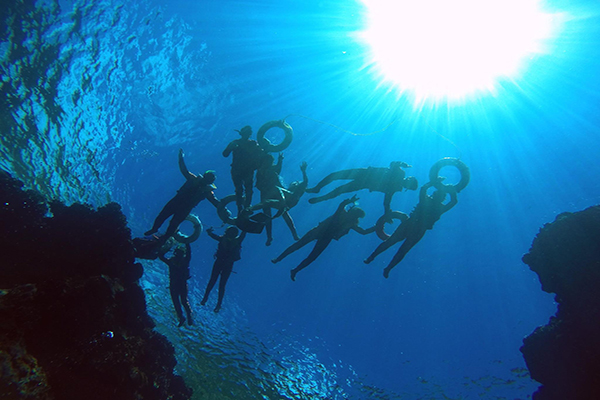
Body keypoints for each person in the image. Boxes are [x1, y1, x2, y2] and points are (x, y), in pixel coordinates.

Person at [364, 180, 458, 278]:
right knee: (391, 242)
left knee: (402, 249)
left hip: (418, 229)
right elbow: (424, 189)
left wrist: (450, 190)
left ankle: (387, 267)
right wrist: (437, 183)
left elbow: (452, 201)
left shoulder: (438, 207)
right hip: (411, 225)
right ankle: (372, 258)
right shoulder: (426, 200)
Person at [272, 195, 375, 281]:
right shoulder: (343, 214)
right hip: (320, 231)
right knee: (298, 246)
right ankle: (279, 259)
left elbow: (363, 232)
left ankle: (294, 269)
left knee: (311, 256)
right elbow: (342, 206)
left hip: (326, 236)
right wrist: (349, 201)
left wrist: (377, 226)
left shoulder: (350, 223)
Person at [144, 149, 219, 243]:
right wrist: (181, 157)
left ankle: (163, 238)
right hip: (178, 201)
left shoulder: (206, 191)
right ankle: (155, 229)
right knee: (163, 216)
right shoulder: (193, 179)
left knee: (173, 223)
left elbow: (215, 201)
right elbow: (184, 170)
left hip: (184, 207)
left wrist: (224, 209)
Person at [306, 162, 418, 214]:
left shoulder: (396, 184)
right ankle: (317, 189)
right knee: (335, 177)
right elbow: (393, 164)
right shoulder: (400, 175)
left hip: (364, 179)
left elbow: (387, 201)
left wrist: (387, 212)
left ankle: (320, 195)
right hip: (364, 175)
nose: (407, 183)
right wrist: (387, 212)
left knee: (338, 185)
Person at [248, 161, 308, 241]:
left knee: (275, 191)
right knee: (268, 205)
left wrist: (303, 171)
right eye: (292, 184)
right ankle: (270, 236)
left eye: (294, 183)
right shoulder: (287, 190)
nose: (293, 184)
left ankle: (251, 209)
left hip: (289, 201)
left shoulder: (299, 189)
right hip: (284, 203)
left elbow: (305, 181)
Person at [201, 226, 246, 313]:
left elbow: (243, 233)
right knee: (218, 283)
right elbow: (244, 233)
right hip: (226, 264)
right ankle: (212, 301)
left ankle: (211, 301)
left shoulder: (226, 239)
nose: (231, 234)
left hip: (222, 263)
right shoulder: (235, 240)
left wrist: (209, 232)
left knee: (216, 283)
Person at [222, 126, 264, 214]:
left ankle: (246, 208)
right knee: (240, 189)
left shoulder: (253, 144)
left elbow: (261, 154)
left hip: (246, 170)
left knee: (246, 190)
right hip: (238, 170)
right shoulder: (237, 143)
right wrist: (231, 147)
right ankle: (241, 209)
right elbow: (225, 154)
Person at [158, 243, 194, 327]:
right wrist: (187, 243)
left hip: (177, 283)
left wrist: (167, 246)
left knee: (181, 301)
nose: (179, 255)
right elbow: (161, 257)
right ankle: (184, 317)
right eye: (178, 253)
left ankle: (187, 317)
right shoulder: (177, 261)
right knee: (179, 302)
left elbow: (161, 256)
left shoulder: (178, 261)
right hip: (178, 283)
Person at [254, 152, 285, 246]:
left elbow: (278, 170)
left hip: (273, 192)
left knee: (282, 210)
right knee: (268, 214)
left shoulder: (269, 169)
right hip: (267, 193)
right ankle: (269, 236)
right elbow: (258, 184)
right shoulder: (261, 171)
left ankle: (270, 236)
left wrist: (280, 160)